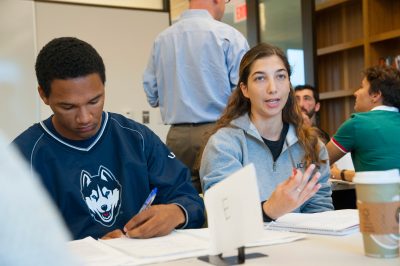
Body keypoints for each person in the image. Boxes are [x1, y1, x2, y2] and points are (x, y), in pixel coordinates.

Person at [12, 37, 205, 240]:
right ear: (43, 95)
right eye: (68, 107)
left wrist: (176, 212)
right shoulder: (22, 157)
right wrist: (88, 250)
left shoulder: (137, 139)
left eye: (94, 101)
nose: (85, 117)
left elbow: (188, 196)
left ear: (104, 85)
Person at [200, 43, 333, 221]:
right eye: (260, 78)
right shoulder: (224, 144)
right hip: (248, 247)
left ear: (288, 85)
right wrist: (269, 209)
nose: (273, 88)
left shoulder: (312, 145)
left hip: (302, 245)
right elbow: (225, 217)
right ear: (245, 89)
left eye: (280, 76)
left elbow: (321, 212)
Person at [143, 0, 249, 193]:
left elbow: (151, 94)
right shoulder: (229, 36)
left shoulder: (162, 39)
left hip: (177, 137)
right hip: (220, 132)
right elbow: (246, 92)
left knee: (181, 200)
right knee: (224, 199)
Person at [0, 132, 80, 266]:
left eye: (92, 108)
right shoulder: (24, 151)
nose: (84, 119)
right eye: (68, 109)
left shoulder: (127, 131)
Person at [327, 65, 400, 182]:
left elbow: (318, 163)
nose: (355, 93)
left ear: (375, 95)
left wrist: (337, 173)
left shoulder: (357, 124)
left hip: (377, 199)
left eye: (361, 87)